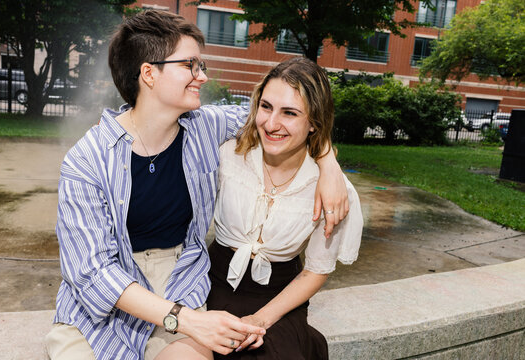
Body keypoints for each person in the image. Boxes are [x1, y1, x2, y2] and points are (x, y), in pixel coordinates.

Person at [45, 10, 349, 360]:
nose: (202, 76)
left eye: (200, 65)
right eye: (190, 65)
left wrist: (327, 162)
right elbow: (92, 272)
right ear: (149, 74)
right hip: (102, 305)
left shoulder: (205, 127)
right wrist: (183, 319)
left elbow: (284, 119)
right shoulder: (86, 160)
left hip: (178, 281)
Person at [206, 57, 363, 359]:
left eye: (289, 113)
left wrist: (260, 320)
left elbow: (316, 270)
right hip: (214, 284)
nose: (271, 123)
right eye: (266, 107)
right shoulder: (227, 154)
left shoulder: (333, 190)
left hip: (280, 296)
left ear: (314, 122)